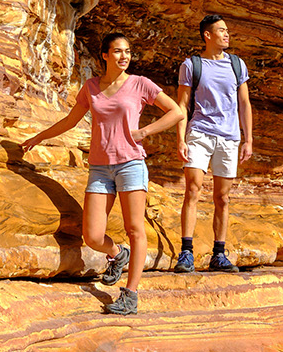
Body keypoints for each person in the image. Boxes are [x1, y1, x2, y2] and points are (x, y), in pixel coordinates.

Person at [18, 32, 184, 315]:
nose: (124, 56)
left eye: (128, 51)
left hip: (131, 164)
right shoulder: (91, 87)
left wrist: (144, 131)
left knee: (135, 229)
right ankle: (118, 255)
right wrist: (39, 137)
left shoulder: (140, 84)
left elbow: (177, 112)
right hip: (100, 167)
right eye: (118, 51)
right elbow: (71, 120)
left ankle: (130, 295)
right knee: (93, 236)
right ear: (105, 55)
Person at [172, 13, 254, 273]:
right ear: (207, 35)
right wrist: (181, 138)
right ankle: (186, 252)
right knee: (192, 190)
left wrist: (248, 139)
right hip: (200, 132)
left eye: (227, 30)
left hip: (229, 137)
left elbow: (244, 103)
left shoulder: (237, 65)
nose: (227, 34)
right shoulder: (192, 65)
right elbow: (182, 105)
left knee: (223, 197)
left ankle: (219, 254)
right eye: (221, 30)